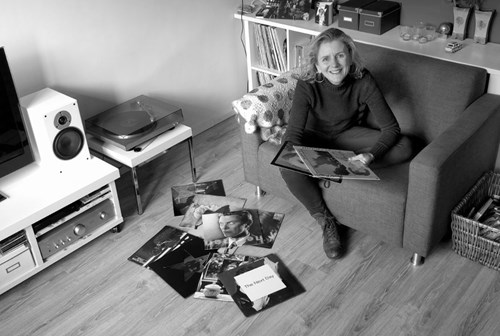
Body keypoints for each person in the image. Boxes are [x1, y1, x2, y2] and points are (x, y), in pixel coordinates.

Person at [281, 28, 414, 259]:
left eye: (340, 55)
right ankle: (326, 221)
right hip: (314, 137)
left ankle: (333, 168)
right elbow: (293, 135)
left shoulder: (363, 79)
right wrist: (302, 157)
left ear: (350, 55)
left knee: (406, 147)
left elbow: (391, 129)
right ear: (317, 64)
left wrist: (371, 155)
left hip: (346, 135)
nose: (334, 64)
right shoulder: (307, 83)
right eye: (325, 58)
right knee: (286, 163)